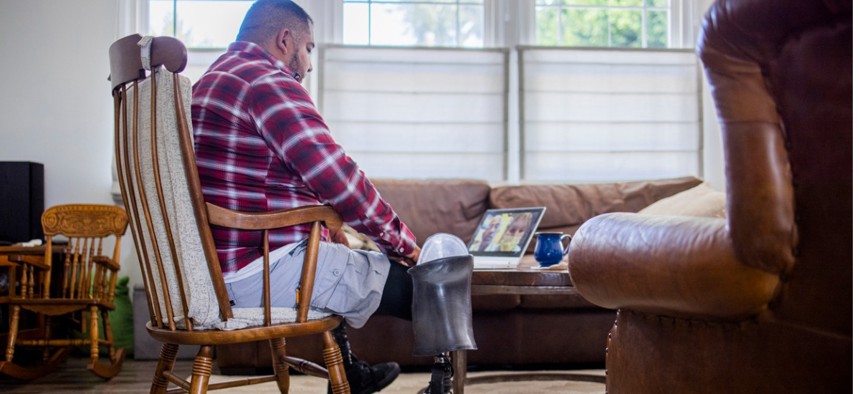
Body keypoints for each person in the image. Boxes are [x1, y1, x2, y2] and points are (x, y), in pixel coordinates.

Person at [190, 1, 421, 392]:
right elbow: (341, 180)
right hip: (255, 274)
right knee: (429, 287)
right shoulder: (266, 82)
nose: (309, 64)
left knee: (333, 247)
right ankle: (447, 383)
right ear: (285, 40)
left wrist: (325, 225)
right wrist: (405, 245)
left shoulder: (210, 80)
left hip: (209, 270)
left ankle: (347, 372)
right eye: (309, 48)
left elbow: (262, 185)